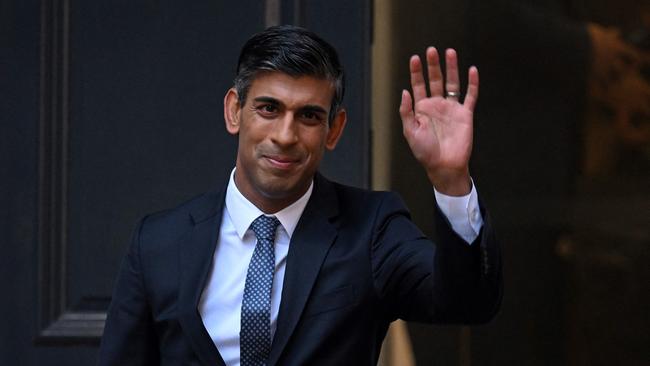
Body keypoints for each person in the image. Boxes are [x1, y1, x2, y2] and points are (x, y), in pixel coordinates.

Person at [97, 25, 502, 366]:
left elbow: (467, 303)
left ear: (334, 129)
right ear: (234, 111)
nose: (286, 136)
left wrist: (450, 178)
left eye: (309, 116)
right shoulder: (158, 242)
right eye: (269, 109)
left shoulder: (372, 229)